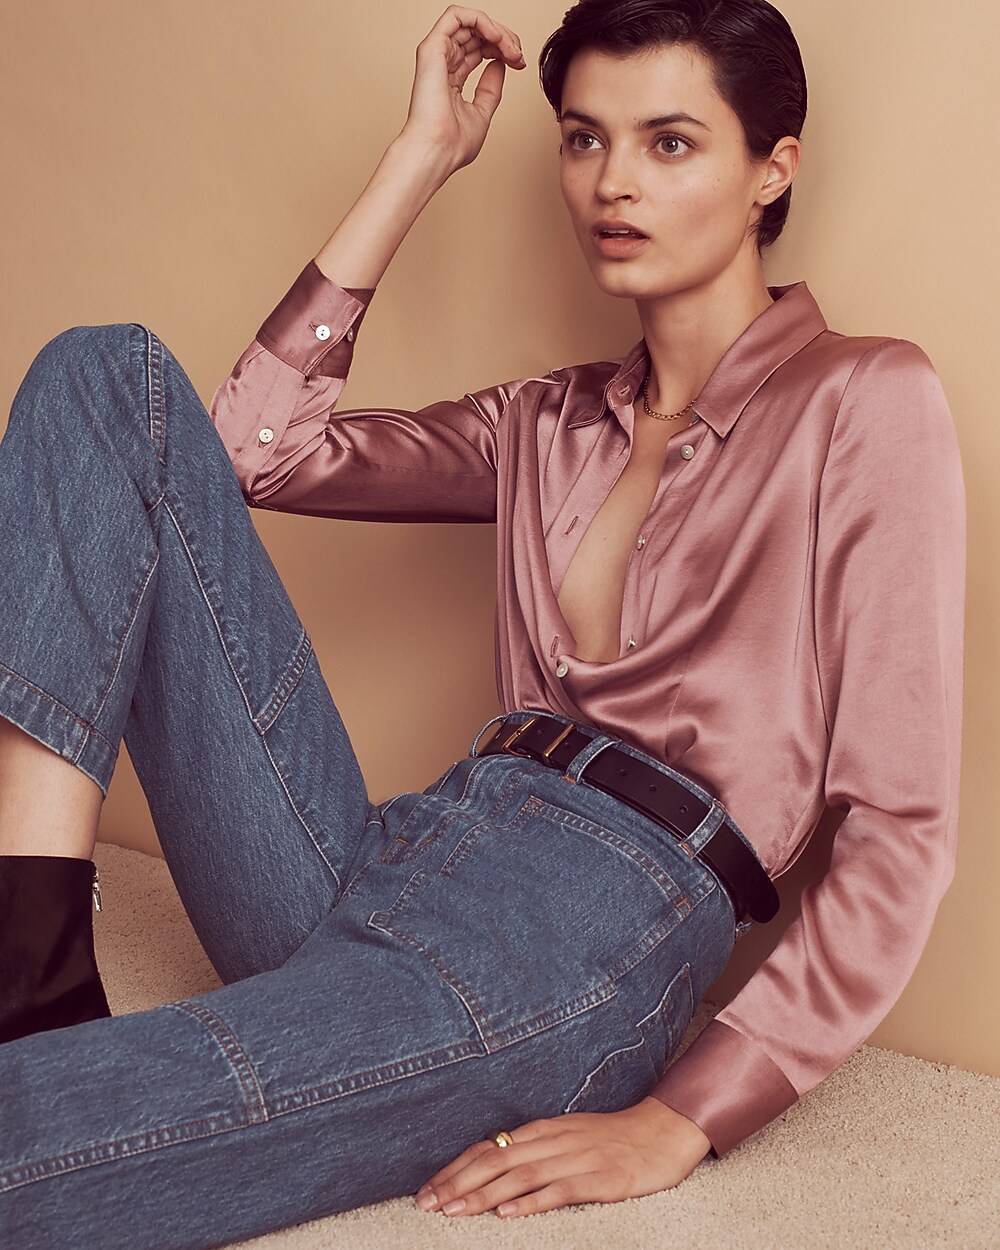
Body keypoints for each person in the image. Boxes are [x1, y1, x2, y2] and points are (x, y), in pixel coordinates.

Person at [0, 1, 965, 1246]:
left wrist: (685, 1114)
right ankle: (30, 972)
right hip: (402, 843)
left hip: (583, 929)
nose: (612, 182)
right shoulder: (545, 421)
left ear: (771, 166)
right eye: (581, 140)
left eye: (669, 143)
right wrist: (420, 159)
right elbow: (246, 448)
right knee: (105, 372)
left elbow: (903, 823)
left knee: (58, 1131)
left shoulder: (862, 397)